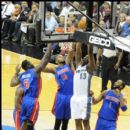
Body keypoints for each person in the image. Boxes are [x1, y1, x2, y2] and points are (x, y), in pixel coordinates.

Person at [10, 43, 52, 130]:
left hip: (25, 101)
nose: (31, 63)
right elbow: (46, 59)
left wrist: (16, 72)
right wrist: (49, 46)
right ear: (28, 66)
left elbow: (12, 83)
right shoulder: (35, 71)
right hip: (32, 100)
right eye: (30, 62)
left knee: (27, 125)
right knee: (29, 125)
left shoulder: (21, 76)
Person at [43, 48, 75, 130]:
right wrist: (47, 54)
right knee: (58, 121)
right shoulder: (55, 69)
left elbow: (72, 51)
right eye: (58, 56)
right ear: (56, 61)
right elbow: (41, 68)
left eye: (61, 55)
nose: (61, 55)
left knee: (65, 122)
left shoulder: (67, 64)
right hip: (61, 96)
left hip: (70, 96)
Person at [70, 43, 95, 130]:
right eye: (84, 57)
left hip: (84, 99)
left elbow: (91, 53)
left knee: (86, 123)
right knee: (77, 123)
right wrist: (79, 38)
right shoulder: (79, 66)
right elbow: (77, 53)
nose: (85, 57)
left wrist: (90, 42)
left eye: (87, 57)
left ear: (90, 60)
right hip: (75, 97)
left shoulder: (90, 68)